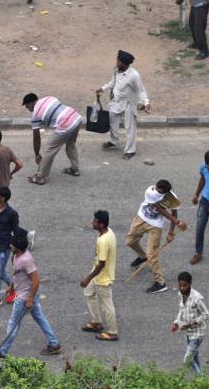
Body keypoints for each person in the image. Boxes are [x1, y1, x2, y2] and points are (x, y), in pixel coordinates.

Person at [0, 234, 63, 359]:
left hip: (24, 298)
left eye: (12, 244)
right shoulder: (17, 255)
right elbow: (17, 274)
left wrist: (29, 299)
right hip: (27, 296)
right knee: (40, 319)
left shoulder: (26, 260)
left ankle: (2, 351)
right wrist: (12, 286)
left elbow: (36, 281)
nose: (10, 245)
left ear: (17, 246)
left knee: (13, 324)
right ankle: (54, 343)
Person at [126, 180, 188, 294]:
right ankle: (142, 256)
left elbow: (174, 213)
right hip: (141, 218)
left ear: (166, 192)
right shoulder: (150, 191)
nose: (158, 191)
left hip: (156, 226)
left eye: (161, 192)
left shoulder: (172, 198)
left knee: (152, 255)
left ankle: (160, 283)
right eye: (158, 189)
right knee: (130, 241)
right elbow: (160, 209)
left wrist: (170, 233)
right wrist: (178, 222)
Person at [97, 50, 150, 160]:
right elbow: (113, 82)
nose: (116, 62)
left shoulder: (134, 75)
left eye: (118, 60)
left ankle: (130, 150)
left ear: (123, 63)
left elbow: (141, 90)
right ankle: (114, 141)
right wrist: (103, 88)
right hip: (116, 102)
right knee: (112, 121)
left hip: (128, 104)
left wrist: (146, 102)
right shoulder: (116, 70)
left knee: (130, 128)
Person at [22, 93, 82, 185]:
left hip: (65, 125)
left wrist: (37, 154)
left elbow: (36, 137)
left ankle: (40, 177)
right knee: (71, 144)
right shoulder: (49, 98)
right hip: (76, 118)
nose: (27, 108)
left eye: (26, 106)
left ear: (30, 103)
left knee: (49, 149)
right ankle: (75, 169)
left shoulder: (36, 114)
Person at [80, 210, 118, 341]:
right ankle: (97, 322)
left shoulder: (103, 240)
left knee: (107, 304)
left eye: (95, 221)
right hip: (96, 272)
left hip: (103, 276)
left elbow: (102, 263)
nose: (92, 222)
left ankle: (112, 332)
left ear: (101, 224)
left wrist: (88, 278)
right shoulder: (108, 232)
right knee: (89, 292)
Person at [171, 271, 209, 376]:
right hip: (189, 333)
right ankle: (201, 377)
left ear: (190, 283)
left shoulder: (197, 298)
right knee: (194, 358)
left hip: (197, 334)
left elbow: (206, 314)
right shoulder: (180, 294)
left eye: (185, 285)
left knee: (187, 360)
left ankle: (202, 381)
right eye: (180, 285)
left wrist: (191, 323)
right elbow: (182, 310)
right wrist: (176, 323)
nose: (182, 288)